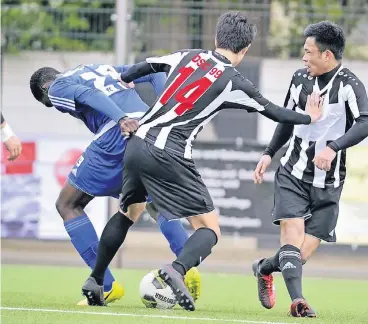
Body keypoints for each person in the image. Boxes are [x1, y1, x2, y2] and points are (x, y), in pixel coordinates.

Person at [81, 11, 323, 310]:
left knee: (128, 212)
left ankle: (95, 278)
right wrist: (309, 117)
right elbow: (274, 111)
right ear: (245, 49)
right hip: (169, 152)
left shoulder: (188, 55)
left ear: (216, 38)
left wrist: (125, 79)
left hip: (136, 143)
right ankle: (175, 270)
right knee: (209, 229)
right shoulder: (234, 81)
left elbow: (143, 66)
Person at [29, 63, 200, 306]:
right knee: (152, 202)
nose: (57, 107)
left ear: (44, 89)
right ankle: (187, 269)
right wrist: (165, 109)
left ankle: (104, 286)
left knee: (67, 204)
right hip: (151, 130)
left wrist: (121, 118)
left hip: (118, 132)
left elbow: (90, 95)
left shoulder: (56, 87)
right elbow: (153, 71)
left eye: (49, 104)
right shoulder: (101, 68)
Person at [252, 21, 368, 318]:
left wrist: (334, 147)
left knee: (299, 255)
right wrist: (268, 153)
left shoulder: (350, 85)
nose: (304, 57)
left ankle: (264, 268)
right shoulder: (300, 79)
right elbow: (287, 120)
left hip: (329, 183)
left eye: (309, 51)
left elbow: (365, 121)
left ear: (327, 55)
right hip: (293, 172)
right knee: (291, 238)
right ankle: (299, 301)